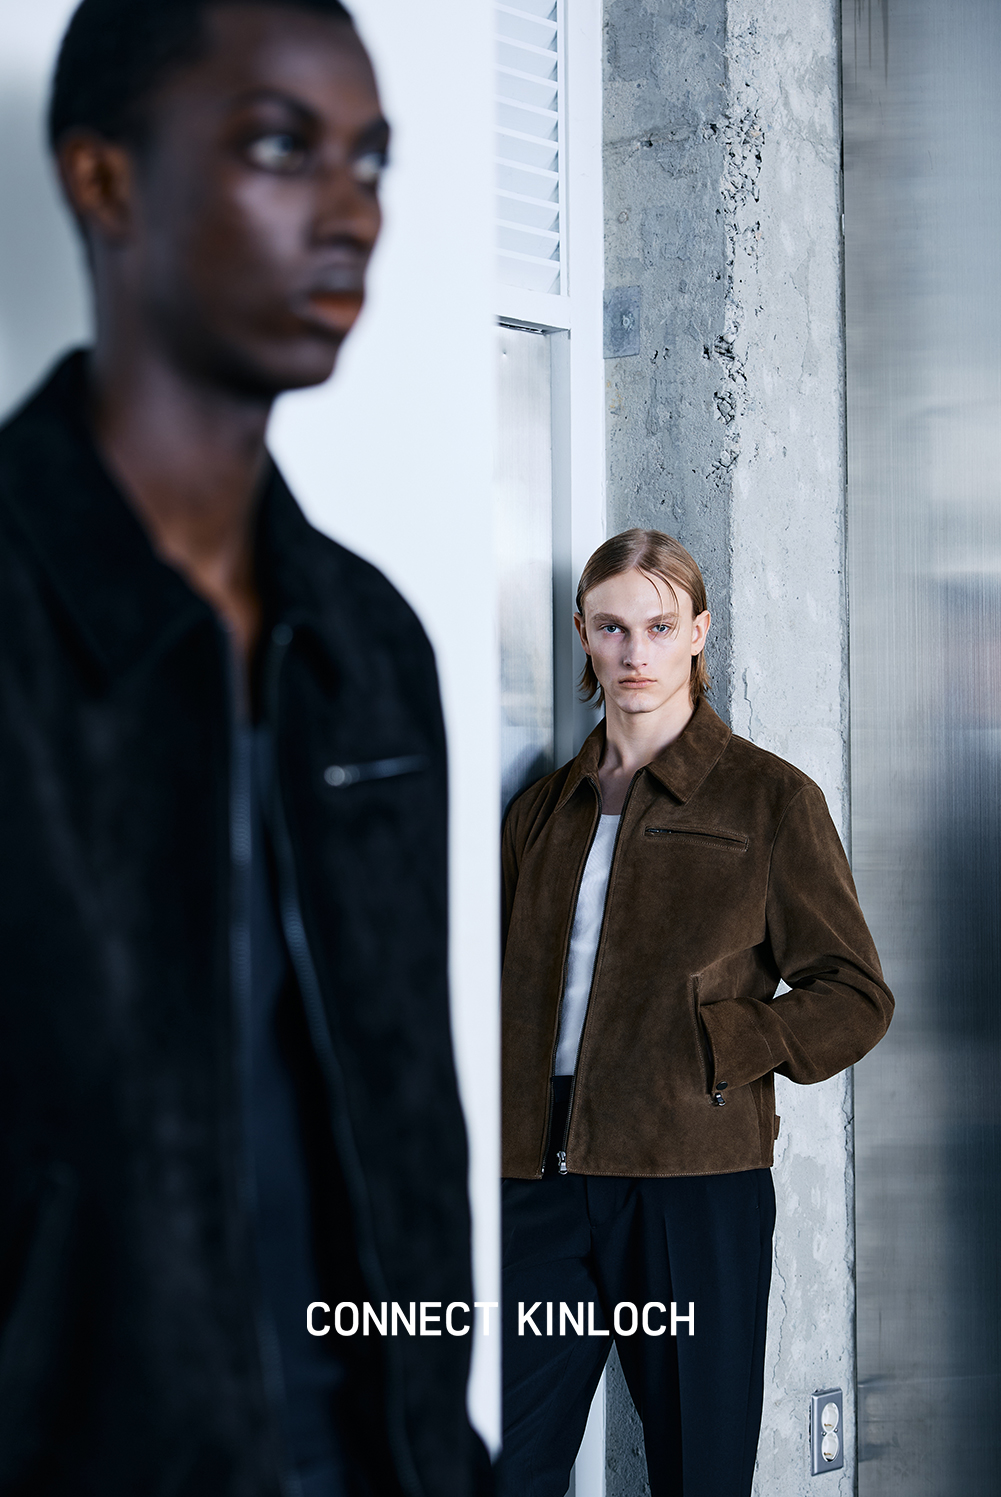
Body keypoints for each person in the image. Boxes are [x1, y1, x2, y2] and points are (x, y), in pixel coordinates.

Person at [0, 1, 486, 1493]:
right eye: (281, 148)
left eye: (371, 161)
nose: (351, 214)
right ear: (104, 180)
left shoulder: (368, 645)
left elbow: (409, 1132)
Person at [499, 529, 893, 1497]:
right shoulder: (542, 811)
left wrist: (723, 1043)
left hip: (691, 1182)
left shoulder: (768, 800)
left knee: (698, 1475)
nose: (634, 651)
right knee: (498, 1461)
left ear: (697, 632)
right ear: (582, 635)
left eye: (658, 626)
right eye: (611, 627)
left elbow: (854, 993)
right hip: (538, 1182)